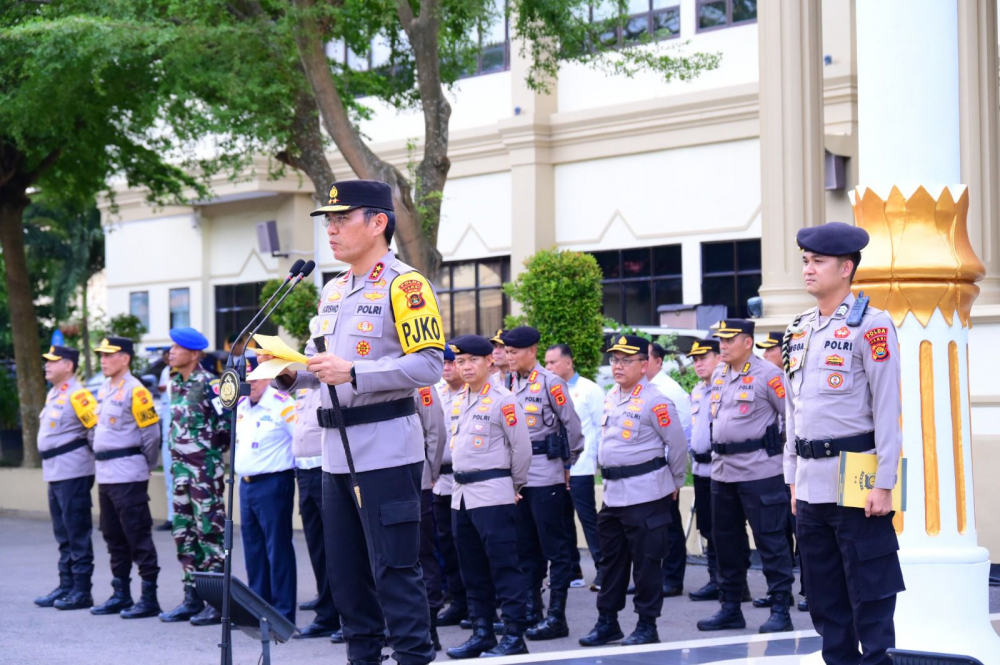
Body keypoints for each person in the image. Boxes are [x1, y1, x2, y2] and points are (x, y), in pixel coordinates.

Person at [272, 179, 444, 665]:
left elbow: (430, 365)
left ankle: (413, 657)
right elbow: (318, 365)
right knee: (346, 576)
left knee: (394, 570)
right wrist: (288, 370)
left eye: (341, 218)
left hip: (387, 447)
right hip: (334, 453)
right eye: (328, 220)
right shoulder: (332, 290)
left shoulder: (405, 285)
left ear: (378, 223)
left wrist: (355, 372)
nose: (331, 229)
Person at [784, 222, 903, 664]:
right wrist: (791, 479)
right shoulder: (798, 328)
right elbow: (793, 413)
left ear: (846, 268)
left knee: (869, 594)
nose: (808, 270)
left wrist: (885, 483)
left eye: (818, 262)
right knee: (823, 598)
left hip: (858, 473)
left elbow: (888, 410)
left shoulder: (872, 326)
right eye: (805, 261)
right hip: (811, 480)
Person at [579, 335, 687, 647]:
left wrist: (675, 483)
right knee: (611, 562)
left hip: (647, 494)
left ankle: (646, 625)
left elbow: (677, 447)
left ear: (644, 365)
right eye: (615, 360)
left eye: (627, 360)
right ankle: (607, 622)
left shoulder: (657, 400)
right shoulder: (612, 396)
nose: (618, 366)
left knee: (647, 562)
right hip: (613, 496)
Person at [696, 320, 795, 634]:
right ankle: (730, 607)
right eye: (720, 340)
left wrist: (789, 464)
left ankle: (780, 607)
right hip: (722, 472)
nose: (722, 346)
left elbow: (791, 419)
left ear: (748, 342)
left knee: (770, 540)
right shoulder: (720, 374)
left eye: (729, 340)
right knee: (726, 542)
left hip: (760, 472)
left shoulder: (769, 375)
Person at [444, 335, 532, 659]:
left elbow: (522, 450)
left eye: (472, 361)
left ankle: (513, 634)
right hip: (461, 494)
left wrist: (515, 487)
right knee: (472, 569)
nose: (465, 367)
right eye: (460, 361)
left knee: (504, 566)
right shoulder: (459, 398)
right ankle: (482, 631)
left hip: (493, 493)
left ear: (489, 362)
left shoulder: (503, 400)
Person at [501, 326, 584, 641]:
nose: (509, 358)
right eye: (506, 352)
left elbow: (572, 427)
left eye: (514, 352)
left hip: (546, 473)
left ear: (532, 351)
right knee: (526, 548)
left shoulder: (551, 383)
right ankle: (531, 611)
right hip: (517, 478)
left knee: (555, 549)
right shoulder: (508, 382)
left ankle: (556, 617)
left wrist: (567, 463)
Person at [158, 327, 230, 627]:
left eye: (177, 348)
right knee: (184, 534)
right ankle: (192, 597)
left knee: (209, 534)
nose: (171, 352)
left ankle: (216, 602)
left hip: (204, 474)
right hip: (180, 474)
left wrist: (206, 458)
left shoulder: (211, 384)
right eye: (171, 347)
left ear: (194, 354)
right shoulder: (174, 383)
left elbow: (226, 427)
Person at [90, 336, 162, 619]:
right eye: (102, 355)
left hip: (128, 473)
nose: (103, 360)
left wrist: (145, 466)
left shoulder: (137, 390)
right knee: (113, 536)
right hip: (106, 475)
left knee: (137, 535)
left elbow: (151, 435)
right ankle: (121, 594)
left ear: (125, 359)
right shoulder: (105, 389)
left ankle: (149, 597)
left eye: (109, 355)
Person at [685, 339, 752, 603]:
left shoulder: (726, 387)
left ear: (718, 358)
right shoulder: (698, 390)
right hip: (701, 469)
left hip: (723, 468)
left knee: (728, 529)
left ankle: (737, 584)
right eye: (694, 359)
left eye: (703, 357)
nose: (698, 363)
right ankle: (716, 579)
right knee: (708, 528)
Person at [34, 345, 98, 611]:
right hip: (56, 472)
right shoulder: (55, 393)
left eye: (53, 361)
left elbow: (96, 431)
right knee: (63, 534)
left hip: (74, 472)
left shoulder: (80, 395)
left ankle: (82, 591)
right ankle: (66, 585)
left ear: (68, 366)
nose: (47, 365)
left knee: (76, 532)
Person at [234, 365, 297, 624]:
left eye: (257, 378)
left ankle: (283, 614)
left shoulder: (282, 404)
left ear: (269, 377)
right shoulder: (241, 406)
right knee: (253, 550)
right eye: (247, 379)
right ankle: (258, 609)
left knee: (277, 549)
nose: (253, 383)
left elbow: (300, 440)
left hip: (273, 483)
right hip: (246, 485)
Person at [544, 343, 605, 591]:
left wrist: (602, 465)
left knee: (589, 521)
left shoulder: (589, 390)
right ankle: (572, 570)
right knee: (562, 522)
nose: (548, 367)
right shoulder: (548, 388)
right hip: (557, 470)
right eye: (546, 363)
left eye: (552, 363)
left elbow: (602, 429)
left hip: (580, 469)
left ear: (568, 363)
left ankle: (605, 570)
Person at [289, 374, 343, 641]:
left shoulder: (332, 383)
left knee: (341, 549)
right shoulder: (303, 389)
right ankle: (327, 615)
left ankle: (350, 615)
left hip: (328, 470)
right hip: (305, 473)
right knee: (318, 549)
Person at [646, 342, 692, 596]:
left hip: (663, 467)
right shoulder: (640, 390)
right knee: (648, 528)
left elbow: (682, 433)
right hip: (643, 472)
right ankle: (651, 576)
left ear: (658, 361)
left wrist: (674, 474)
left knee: (670, 526)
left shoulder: (669, 391)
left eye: (645, 359)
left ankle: (673, 578)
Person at [434, 345, 469, 627]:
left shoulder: (475, 393)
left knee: (470, 544)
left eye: (452, 362)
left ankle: (483, 603)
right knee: (447, 544)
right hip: (441, 480)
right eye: (443, 363)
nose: (447, 368)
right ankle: (459, 601)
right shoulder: (437, 393)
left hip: (469, 480)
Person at [416, 385, 446, 650]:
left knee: (422, 553)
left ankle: (430, 626)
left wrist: (430, 472)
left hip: (417, 480)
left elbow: (435, 432)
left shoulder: (420, 383)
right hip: (379, 481)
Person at [155, 348, 174, 532]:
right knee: (170, 479)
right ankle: (171, 517)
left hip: (186, 440)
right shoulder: (165, 371)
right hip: (168, 436)